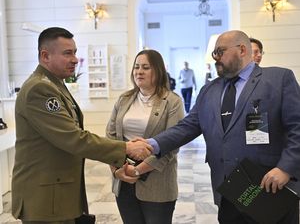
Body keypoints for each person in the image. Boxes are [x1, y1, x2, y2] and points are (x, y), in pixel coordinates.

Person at [143, 30, 300, 223]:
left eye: (220, 52)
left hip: (270, 188)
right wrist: (151, 144)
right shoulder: (210, 89)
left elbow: (297, 127)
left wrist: (285, 168)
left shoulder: (278, 79)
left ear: (242, 50)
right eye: (214, 53)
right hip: (228, 192)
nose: (215, 58)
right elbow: (188, 126)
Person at [11, 27, 152, 224]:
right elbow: (73, 138)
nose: (75, 59)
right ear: (45, 56)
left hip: (57, 194)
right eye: (67, 53)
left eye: (75, 52)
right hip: (44, 201)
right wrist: (126, 148)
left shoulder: (54, 84)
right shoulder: (39, 89)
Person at [106, 49, 184, 224]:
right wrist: (117, 170)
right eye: (136, 67)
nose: (139, 71)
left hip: (157, 183)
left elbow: (172, 145)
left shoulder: (172, 101)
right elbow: (110, 136)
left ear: (158, 70)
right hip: (122, 178)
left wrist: (137, 170)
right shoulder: (124, 99)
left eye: (146, 67)